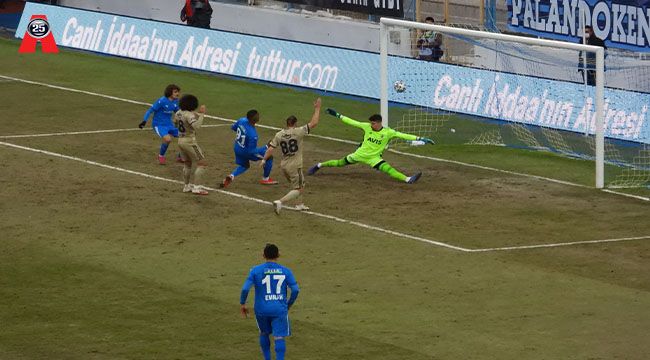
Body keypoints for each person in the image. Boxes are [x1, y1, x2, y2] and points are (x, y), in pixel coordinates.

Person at [308, 109, 434, 184]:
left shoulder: (388, 132)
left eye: (373, 123)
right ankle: (319, 165)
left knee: (388, 169)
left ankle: (408, 179)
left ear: (379, 123)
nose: (371, 125)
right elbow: (352, 122)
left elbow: (403, 135)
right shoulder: (367, 126)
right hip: (359, 154)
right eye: (371, 123)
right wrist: (337, 115)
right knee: (339, 163)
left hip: (373, 158)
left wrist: (420, 138)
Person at [261, 98, 321, 214]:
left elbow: (270, 148)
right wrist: (317, 108)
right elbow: (314, 123)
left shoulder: (279, 134)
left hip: (284, 165)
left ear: (287, 123)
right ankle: (280, 202)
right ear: (295, 123)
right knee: (299, 188)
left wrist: (264, 160)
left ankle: (299, 204)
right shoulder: (298, 131)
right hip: (295, 165)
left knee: (297, 185)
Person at [240, 244, 299, 360]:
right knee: (279, 337)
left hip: (261, 309)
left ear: (263, 255)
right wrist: (288, 304)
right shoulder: (286, 271)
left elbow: (245, 288)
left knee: (263, 333)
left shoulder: (255, 271)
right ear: (278, 255)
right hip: (279, 309)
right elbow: (296, 290)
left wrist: (243, 303)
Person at [220, 110, 278, 188]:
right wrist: (267, 147)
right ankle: (265, 179)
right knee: (269, 157)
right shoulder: (253, 135)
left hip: (237, 148)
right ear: (254, 119)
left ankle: (231, 176)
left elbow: (233, 128)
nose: (258, 116)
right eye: (257, 116)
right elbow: (251, 151)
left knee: (245, 165)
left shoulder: (242, 120)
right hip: (246, 151)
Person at [139, 84, 182, 165]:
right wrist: (144, 121)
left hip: (169, 125)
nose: (177, 94)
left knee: (185, 136)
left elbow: (178, 112)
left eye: (178, 92)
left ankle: (180, 156)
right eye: (175, 92)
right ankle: (161, 156)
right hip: (159, 125)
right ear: (170, 93)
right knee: (167, 139)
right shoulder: (161, 101)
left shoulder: (176, 101)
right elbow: (150, 110)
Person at [174, 94, 208, 195]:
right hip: (189, 142)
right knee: (202, 163)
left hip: (180, 140)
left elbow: (175, 123)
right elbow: (197, 126)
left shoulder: (178, 113)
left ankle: (186, 186)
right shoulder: (189, 115)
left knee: (187, 164)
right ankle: (197, 188)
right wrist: (202, 114)